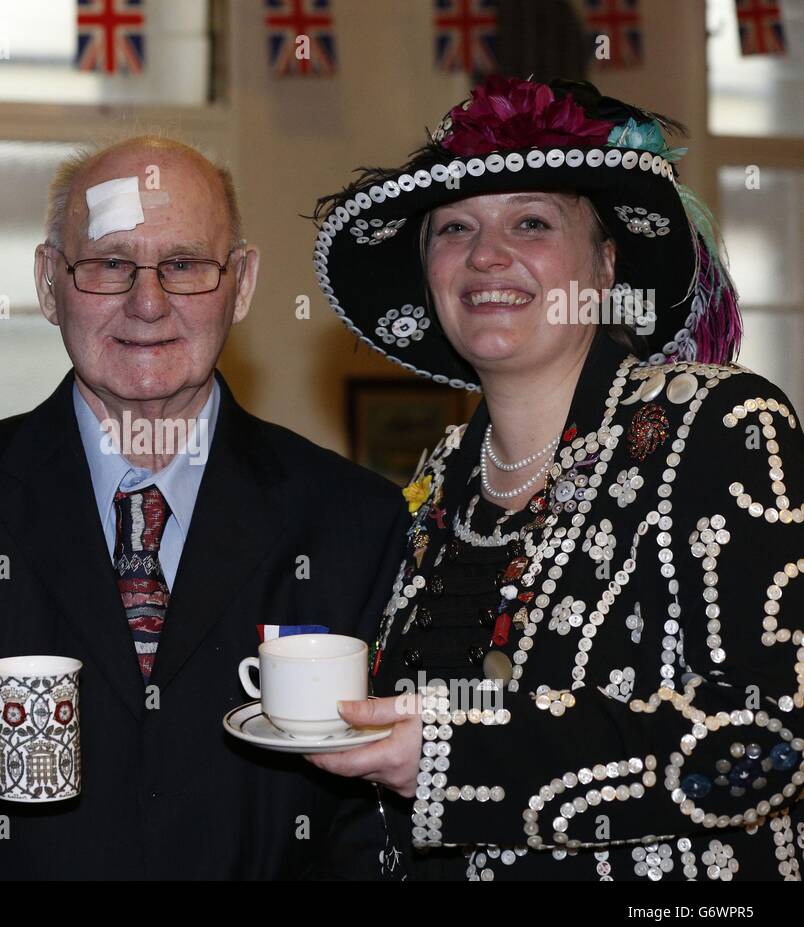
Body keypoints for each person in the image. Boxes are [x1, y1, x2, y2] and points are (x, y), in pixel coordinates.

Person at [0, 135, 409, 879]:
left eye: (184, 266)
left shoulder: (356, 519)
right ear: (49, 284)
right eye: (109, 264)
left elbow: (372, 822)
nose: (146, 303)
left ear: (242, 283)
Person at [306, 76, 803, 880]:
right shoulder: (439, 480)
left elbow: (769, 734)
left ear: (606, 265)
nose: (485, 256)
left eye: (530, 222)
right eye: (454, 229)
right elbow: (463, 708)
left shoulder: (718, 422)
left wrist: (458, 755)